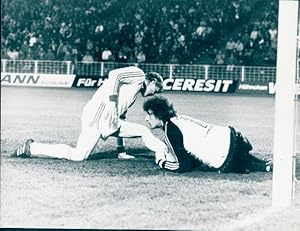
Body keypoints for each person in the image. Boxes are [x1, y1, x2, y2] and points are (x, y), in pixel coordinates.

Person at [13, 66, 168, 161]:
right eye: (156, 90)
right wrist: (113, 101)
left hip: (109, 119)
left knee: (143, 131)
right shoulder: (139, 75)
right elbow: (115, 75)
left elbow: (119, 119)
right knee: (78, 156)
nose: (154, 93)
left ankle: (165, 151)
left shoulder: (133, 94)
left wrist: (121, 151)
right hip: (98, 113)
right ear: (153, 82)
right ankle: (32, 148)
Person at [143, 95, 273, 173]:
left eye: (149, 114)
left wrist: (161, 161)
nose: (146, 119)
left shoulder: (170, 130)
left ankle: (263, 166)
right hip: (235, 136)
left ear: (159, 114)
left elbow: (183, 166)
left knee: (242, 164)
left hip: (226, 155)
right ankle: (267, 165)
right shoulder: (179, 119)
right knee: (249, 160)